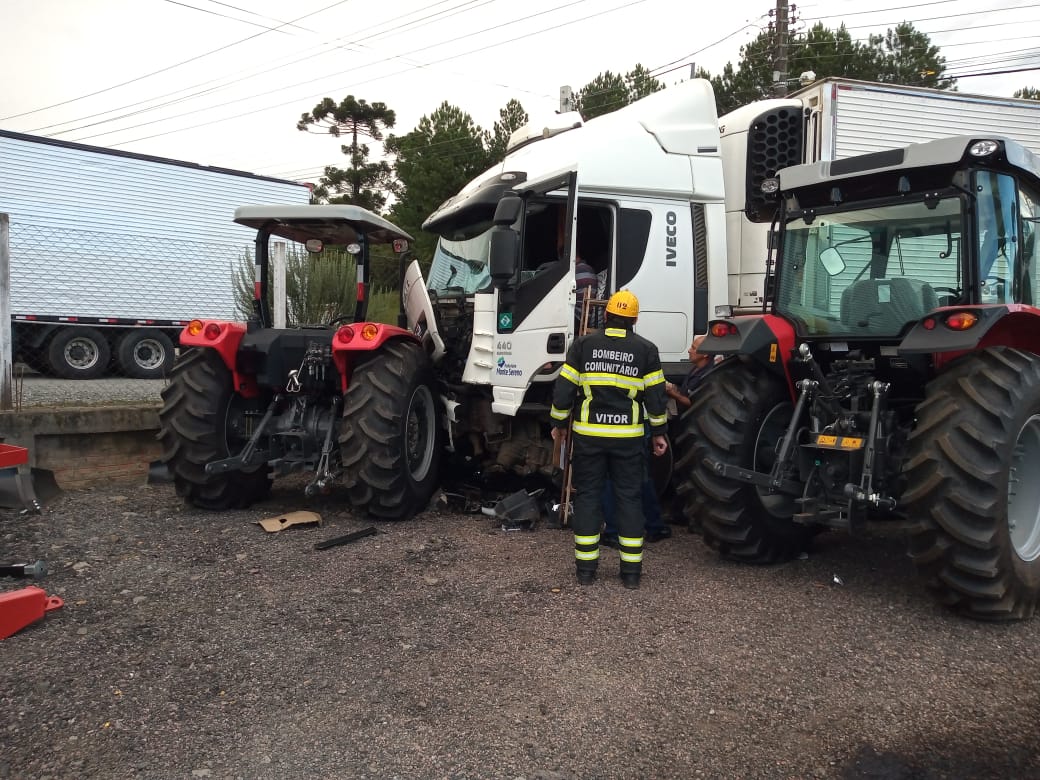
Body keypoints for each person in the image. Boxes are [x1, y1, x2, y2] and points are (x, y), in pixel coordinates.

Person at [550, 290, 669, 590]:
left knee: (588, 496)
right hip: (628, 438)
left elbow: (564, 390)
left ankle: (586, 572)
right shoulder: (646, 350)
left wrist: (558, 424)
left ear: (606, 315)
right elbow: (655, 397)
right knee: (629, 498)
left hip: (589, 437)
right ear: (634, 320)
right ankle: (631, 575)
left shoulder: (583, 345)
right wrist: (658, 433)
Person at [665, 335, 713, 412]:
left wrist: (672, 393)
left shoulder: (707, 376)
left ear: (705, 354)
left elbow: (694, 403)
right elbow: (686, 391)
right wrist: (673, 387)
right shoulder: (696, 368)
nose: (689, 350)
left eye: (693, 348)